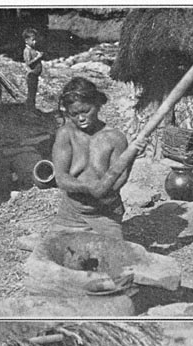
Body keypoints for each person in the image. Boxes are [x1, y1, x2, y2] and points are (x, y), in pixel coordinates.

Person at [51, 77, 145, 239]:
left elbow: (118, 181)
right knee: (55, 252)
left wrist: (130, 158)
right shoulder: (66, 134)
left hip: (105, 213)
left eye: (85, 111)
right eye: (74, 114)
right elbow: (61, 178)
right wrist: (88, 187)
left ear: (97, 104)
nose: (80, 118)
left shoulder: (115, 138)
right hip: (72, 212)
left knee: (109, 255)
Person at [22, 28, 44, 112]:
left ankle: (33, 109)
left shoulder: (32, 49)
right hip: (31, 75)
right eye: (33, 40)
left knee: (33, 93)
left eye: (35, 40)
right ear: (26, 40)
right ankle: (29, 110)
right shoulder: (27, 50)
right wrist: (38, 57)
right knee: (31, 94)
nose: (35, 42)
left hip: (35, 75)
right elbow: (28, 63)